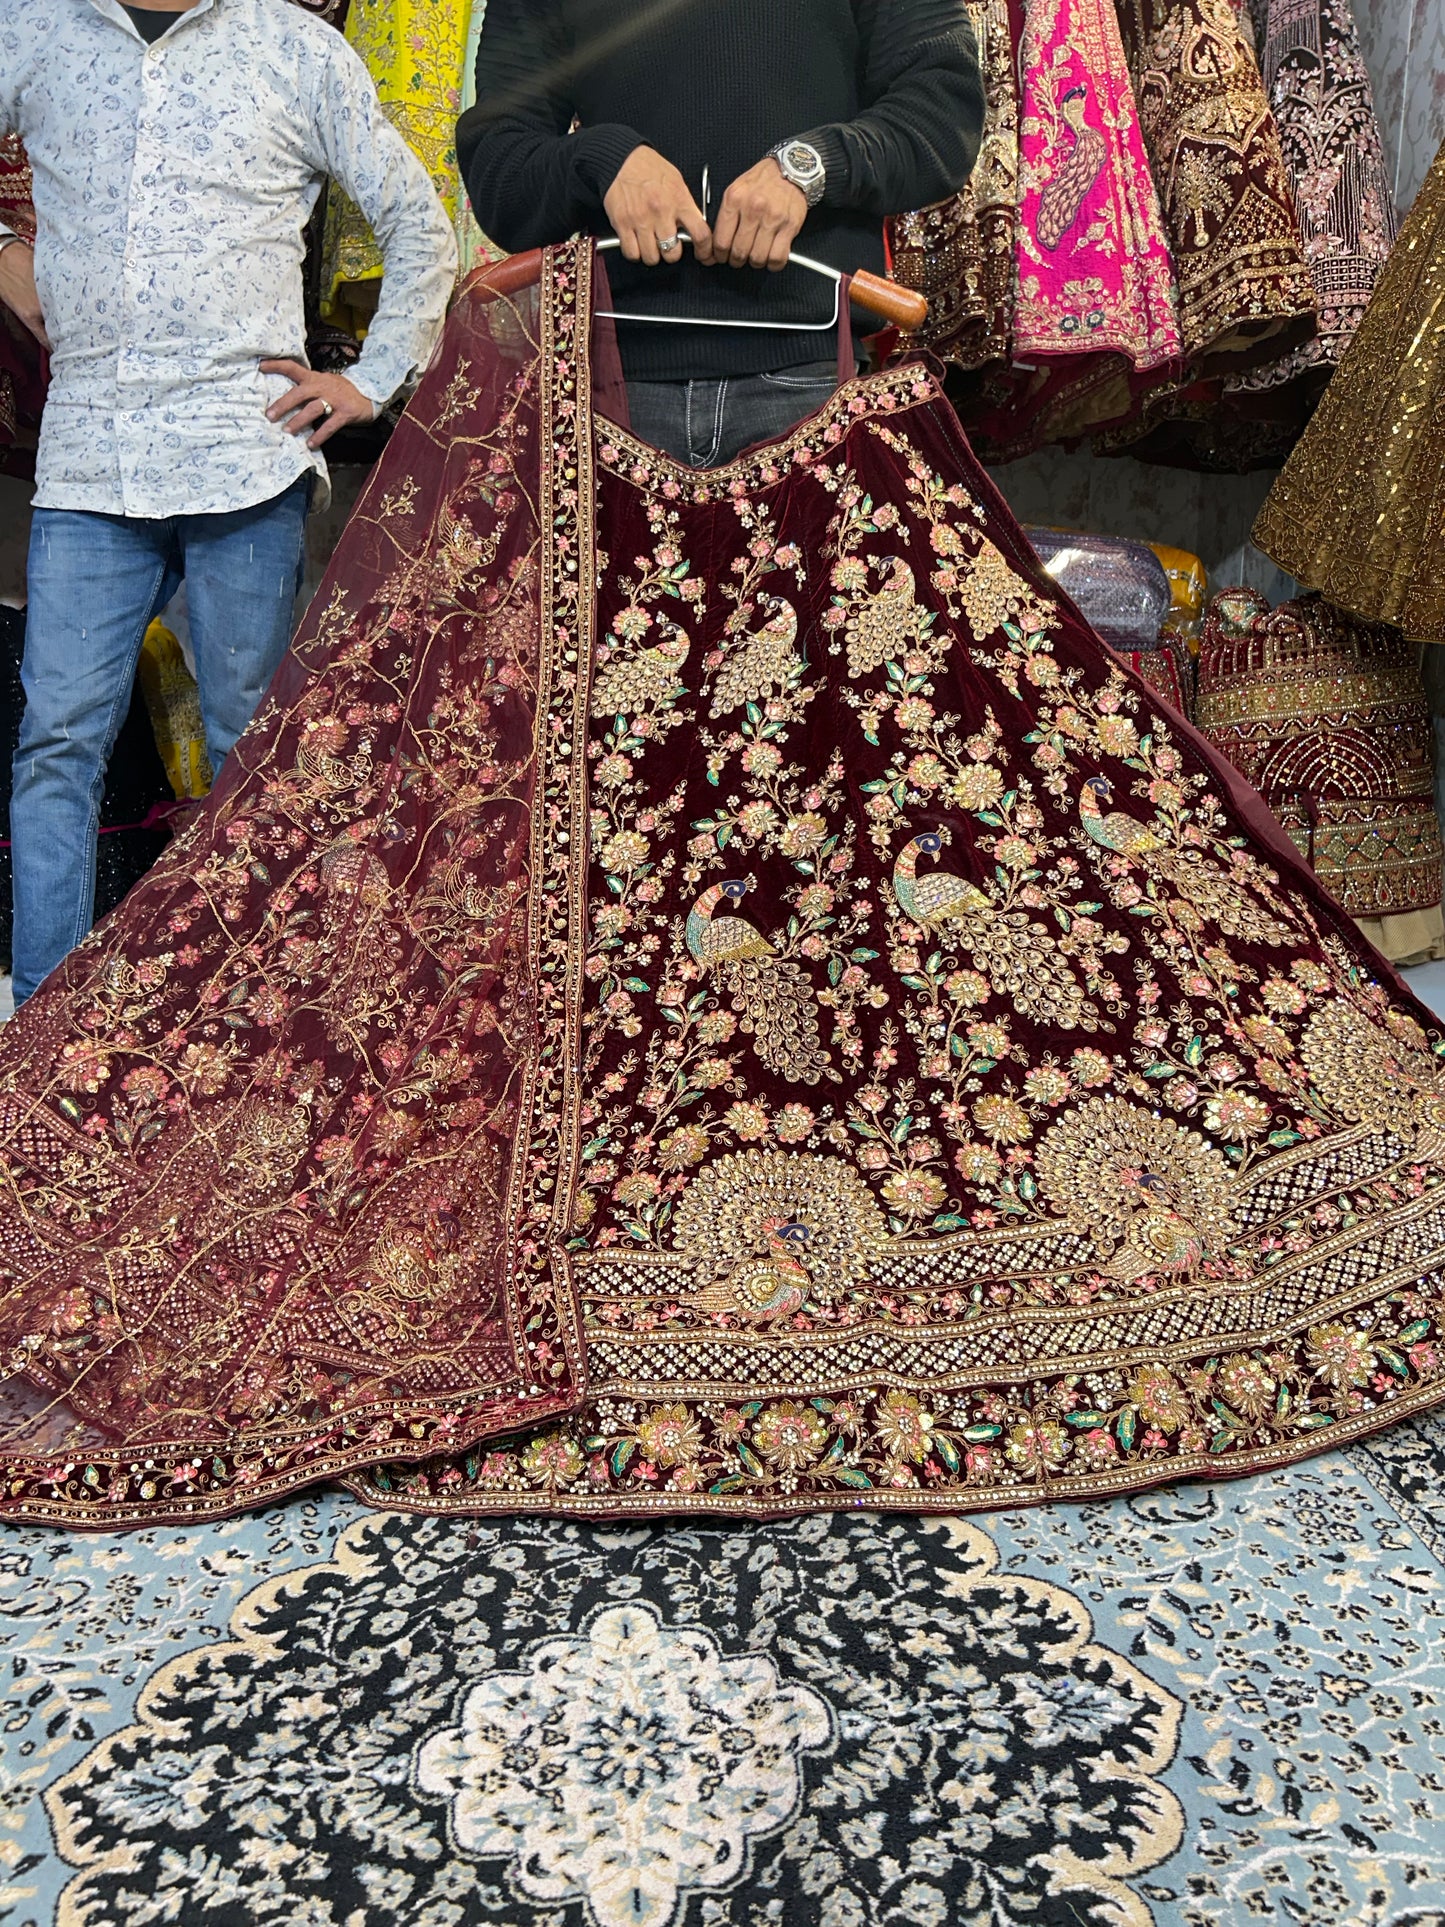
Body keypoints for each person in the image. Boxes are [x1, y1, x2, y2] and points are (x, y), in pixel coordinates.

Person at [0, 0, 458, 1005]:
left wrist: (371, 379)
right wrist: (4, 241)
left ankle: (248, 1024)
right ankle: (42, 1023)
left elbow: (417, 218)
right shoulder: (33, 28)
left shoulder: (293, 47)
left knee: (250, 744)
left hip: (240, 457)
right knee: (57, 744)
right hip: (89, 457)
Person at [458, 0, 984, 467]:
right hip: (611, 395)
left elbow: (942, 112)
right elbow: (499, 168)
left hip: (808, 381)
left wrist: (812, 165)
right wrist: (602, 159)